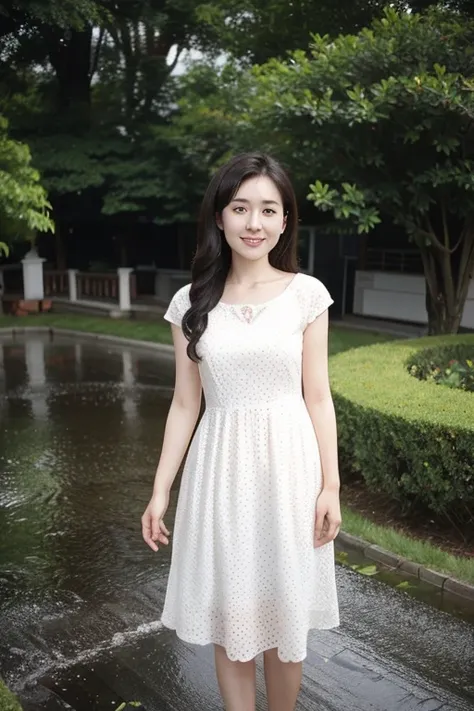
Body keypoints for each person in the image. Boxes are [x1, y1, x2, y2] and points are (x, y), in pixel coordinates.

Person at [141, 152, 341, 711]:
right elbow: (185, 404)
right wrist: (161, 490)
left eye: (268, 210)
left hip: (290, 469)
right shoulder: (191, 302)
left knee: (284, 615)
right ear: (221, 217)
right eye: (240, 207)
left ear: (284, 221)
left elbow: (318, 396)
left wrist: (331, 486)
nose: (254, 223)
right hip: (219, 471)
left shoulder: (307, 294)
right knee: (233, 615)